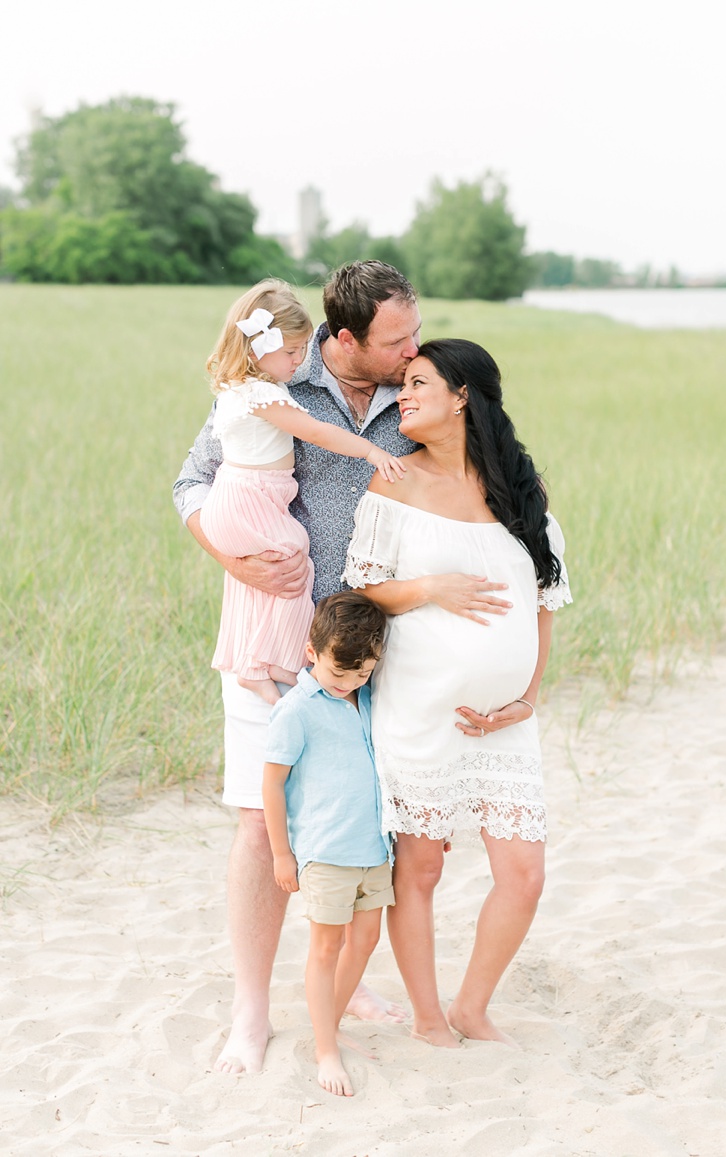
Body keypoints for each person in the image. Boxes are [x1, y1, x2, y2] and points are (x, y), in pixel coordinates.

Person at [174, 262, 462, 1074]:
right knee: (259, 820)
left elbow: (464, 470)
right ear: (343, 341)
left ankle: (347, 979)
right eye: (395, 339)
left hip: (380, 647)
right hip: (274, 632)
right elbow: (193, 480)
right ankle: (252, 1010)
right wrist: (232, 558)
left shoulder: (415, 390)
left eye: (414, 332)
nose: (412, 348)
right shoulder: (274, 379)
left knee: (363, 818)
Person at [343, 338, 572, 1048]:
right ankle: (429, 1014)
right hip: (419, 708)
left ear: (462, 394)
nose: (402, 395)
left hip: (504, 722)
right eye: (401, 384)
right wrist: (431, 587)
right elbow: (362, 588)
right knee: (422, 866)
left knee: (523, 874)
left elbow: (544, 600)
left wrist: (525, 698)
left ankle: (473, 1005)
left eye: (417, 382)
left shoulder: (518, 491)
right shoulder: (394, 482)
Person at [198, 279, 404, 705]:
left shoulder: (240, 389)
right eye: (292, 352)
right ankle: (273, 661)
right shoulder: (264, 392)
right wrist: (369, 450)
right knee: (295, 560)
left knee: (274, 572)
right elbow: (312, 431)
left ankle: (253, 661)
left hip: (243, 501)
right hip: (247, 497)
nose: (299, 359)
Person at [263, 592, 393, 1098]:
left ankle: (331, 1027)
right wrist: (281, 853)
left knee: (365, 942)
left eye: (361, 675)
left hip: (374, 849)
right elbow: (272, 784)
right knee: (326, 948)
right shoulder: (296, 710)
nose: (348, 685)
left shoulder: (365, 697)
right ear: (311, 651)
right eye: (340, 676)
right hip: (326, 850)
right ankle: (324, 1049)